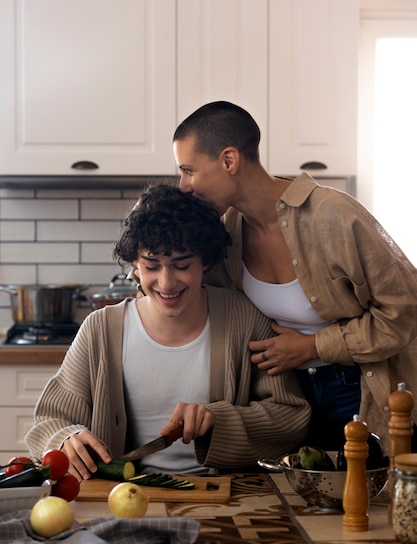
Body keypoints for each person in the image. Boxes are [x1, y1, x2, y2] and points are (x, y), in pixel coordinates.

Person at [173, 101, 417, 452]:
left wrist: (313, 346)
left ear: (229, 160)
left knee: (366, 503)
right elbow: (180, 284)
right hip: (284, 400)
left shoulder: (333, 216)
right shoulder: (226, 231)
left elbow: (404, 313)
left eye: (188, 170)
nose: (183, 185)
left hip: (355, 391)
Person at [24, 184, 311, 480]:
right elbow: (49, 421)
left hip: (224, 495)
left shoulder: (245, 319)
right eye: (151, 266)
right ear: (136, 263)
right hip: (121, 496)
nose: (166, 282)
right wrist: (65, 438)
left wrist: (218, 420)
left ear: (206, 260)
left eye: (182, 265)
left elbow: (290, 416)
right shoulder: (101, 329)